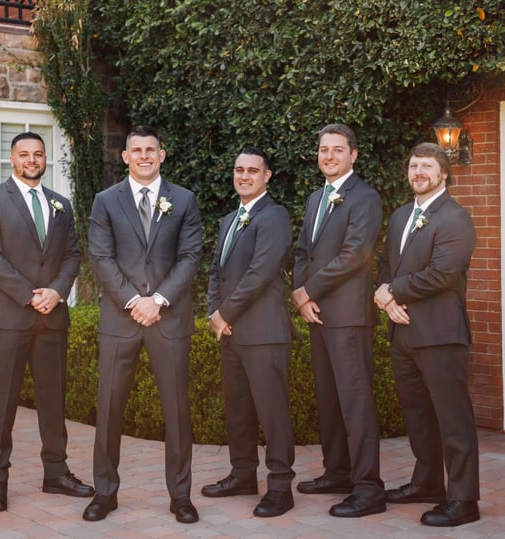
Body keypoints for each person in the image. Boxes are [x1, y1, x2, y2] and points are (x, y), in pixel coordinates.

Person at [85, 125, 203, 524]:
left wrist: (160, 301)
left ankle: (181, 496)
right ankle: (105, 492)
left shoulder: (184, 200)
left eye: (150, 149)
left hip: (169, 319)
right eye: (136, 150)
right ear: (125, 157)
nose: (144, 156)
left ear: (162, 154)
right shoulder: (105, 201)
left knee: (177, 410)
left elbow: (190, 256)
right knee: (109, 410)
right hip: (121, 319)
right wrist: (135, 301)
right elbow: (101, 257)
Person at [0, 131, 93, 512]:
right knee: (2, 404)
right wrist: (30, 295)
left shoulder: (61, 204)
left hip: (52, 319)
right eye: (24, 154)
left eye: (38, 154)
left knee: (53, 400)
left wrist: (56, 291)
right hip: (9, 317)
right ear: (12, 159)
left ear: (45, 159)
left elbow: (73, 255)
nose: (32, 160)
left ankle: (56, 473)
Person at [374, 142, 479, 527]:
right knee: (418, 417)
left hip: (440, 335)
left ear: (443, 174)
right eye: (414, 166)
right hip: (402, 333)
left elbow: (443, 273)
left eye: (427, 167)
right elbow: (388, 265)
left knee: (453, 420)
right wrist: (386, 300)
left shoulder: (455, 217)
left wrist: (394, 291)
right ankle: (428, 483)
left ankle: (464, 500)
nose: (418, 172)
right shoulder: (401, 215)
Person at [292, 123, 386, 517]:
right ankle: (337, 472)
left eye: (337, 150)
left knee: (355, 402)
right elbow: (303, 252)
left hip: (348, 316)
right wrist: (302, 298)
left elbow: (354, 255)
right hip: (318, 315)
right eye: (323, 149)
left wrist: (308, 290)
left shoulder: (364, 198)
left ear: (353, 155)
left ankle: (369, 489)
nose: (328, 156)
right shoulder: (316, 198)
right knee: (329, 399)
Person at [204, 146, 296, 517]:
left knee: (272, 412)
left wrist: (224, 312)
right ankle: (243, 474)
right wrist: (215, 312)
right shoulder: (229, 219)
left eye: (252, 171)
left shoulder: (274, 217)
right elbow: (216, 271)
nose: (244, 176)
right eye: (239, 170)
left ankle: (280, 487)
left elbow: (260, 273)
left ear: (266, 176)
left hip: (264, 332)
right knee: (238, 409)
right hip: (231, 333)